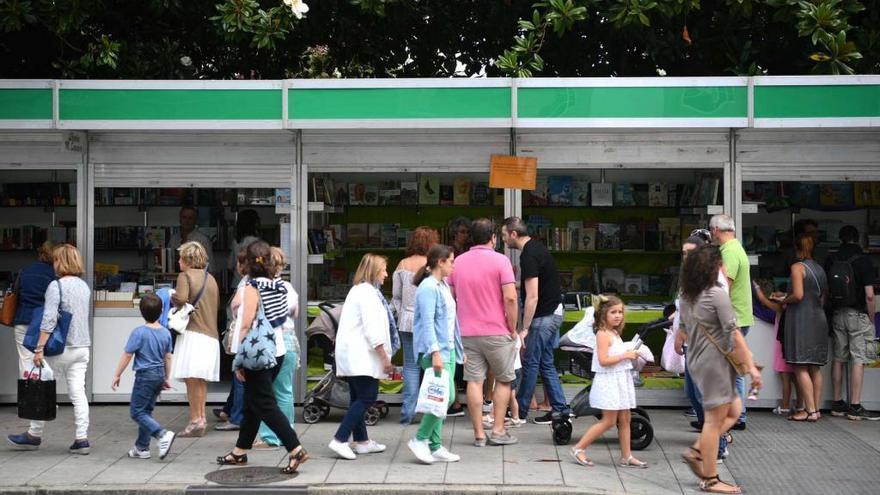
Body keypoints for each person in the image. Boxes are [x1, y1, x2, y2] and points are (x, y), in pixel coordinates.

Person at [216, 240, 308, 474]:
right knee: (251, 405)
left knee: (265, 405)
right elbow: (291, 312)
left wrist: (237, 358)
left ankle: (295, 449)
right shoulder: (278, 285)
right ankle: (239, 452)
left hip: (257, 355)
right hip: (276, 351)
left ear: (247, 263)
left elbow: (245, 324)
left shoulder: (251, 287)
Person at [679, 244, 762, 494]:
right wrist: (752, 368)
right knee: (714, 422)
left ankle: (697, 451)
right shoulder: (716, 294)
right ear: (714, 267)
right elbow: (733, 333)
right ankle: (710, 478)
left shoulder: (686, 294)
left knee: (734, 410)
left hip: (698, 360)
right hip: (715, 363)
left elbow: (683, 328)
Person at [8, 244, 93, 454]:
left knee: (41, 387)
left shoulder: (57, 286)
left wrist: (39, 349)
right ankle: (81, 439)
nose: (53, 264)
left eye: (56, 260)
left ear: (60, 262)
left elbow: (49, 319)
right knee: (78, 393)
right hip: (82, 347)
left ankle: (34, 435)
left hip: (60, 348)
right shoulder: (84, 286)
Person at [447, 218, 519, 447]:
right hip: (497, 330)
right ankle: (498, 430)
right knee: (504, 380)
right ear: (494, 238)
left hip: (467, 332)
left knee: (474, 381)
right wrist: (513, 327)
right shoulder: (501, 261)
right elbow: (510, 297)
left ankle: (479, 434)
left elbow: (451, 297)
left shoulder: (458, 262)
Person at [501, 217, 570, 425]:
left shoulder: (528, 255)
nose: (503, 239)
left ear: (514, 234)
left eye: (504, 235)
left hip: (544, 316)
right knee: (546, 363)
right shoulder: (537, 248)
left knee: (530, 362)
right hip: (554, 311)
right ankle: (560, 409)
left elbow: (533, 296)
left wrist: (525, 328)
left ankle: (520, 411)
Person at [328, 253, 395, 460]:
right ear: (374, 272)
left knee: (358, 397)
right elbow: (373, 330)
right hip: (362, 355)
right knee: (367, 396)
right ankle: (339, 439)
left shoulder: (358, 291)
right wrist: (385, 358)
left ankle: (362, 441)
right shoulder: (368, 294)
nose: (386, 274)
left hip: (353, 353)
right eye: (383, 269)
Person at [569, 295, 646, 469]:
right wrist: (626, 355)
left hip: (619, 379)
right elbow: (604, 360)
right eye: (613, 312)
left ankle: (626, 456)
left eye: (620, 312)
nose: (618, 315)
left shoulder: (614, 333)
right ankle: (578, 448)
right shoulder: (603, 334)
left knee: (625, 418)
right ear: (604, 314)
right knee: (609, 421)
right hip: (609, 381)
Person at [407, 245, 465, 464]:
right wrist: (435, 353)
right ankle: (420, 438)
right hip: (436, 351)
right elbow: (428, 323)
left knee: (440, 398)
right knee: (446, 397)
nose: (454, 265)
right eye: (451, 261)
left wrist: (457, 349)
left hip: (446, 349)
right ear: (440, 262)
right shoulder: (429, 287)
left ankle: (435, 445)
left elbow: (452, 322)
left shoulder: (441, 285)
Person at [674, 235, 730, 461]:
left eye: (689, 254)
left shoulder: (715, 280)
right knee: (693, 393)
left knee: (707, 398)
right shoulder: (689, 277)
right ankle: (712, 440)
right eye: (683, 254)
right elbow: (685, 306)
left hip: (710, 349)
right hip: (693, 345)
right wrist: (681, 329)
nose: (685, 257)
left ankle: (717, 445)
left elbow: (726, 320)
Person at [110, 293, 176, 460]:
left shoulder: (138, 333)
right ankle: (142, 447)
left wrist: (117, 374)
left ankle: (162, 434)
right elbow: (168, 356)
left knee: (137, 412)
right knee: (146, 411)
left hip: (145, 376)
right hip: (159, 374)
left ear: (141, 312)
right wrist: (166, 377)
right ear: (162, 311)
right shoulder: (166, 333)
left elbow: (127, 355)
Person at [826, 226, 880, 420]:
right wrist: (872, 319)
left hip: (837, 314)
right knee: (858, 359)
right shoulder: (864, 260)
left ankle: (837, 403)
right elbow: (869, 295)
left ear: (840, 239)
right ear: (857, 239)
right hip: (857, 315)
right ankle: (855, 406)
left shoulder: (832, 258)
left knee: (839, 358)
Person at [171, 241, 220, 437]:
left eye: (180, 257)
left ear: (187, 260)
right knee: (200, 381)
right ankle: (201, 418)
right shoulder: (211, 279)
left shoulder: (185, 276)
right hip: (210, 335)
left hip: (193, 333)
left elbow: (181, 299)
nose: (178, 262)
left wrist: (171, 296)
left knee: (191, 381)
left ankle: (195, 420)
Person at [254, 246, 302, 447]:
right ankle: (286, 431)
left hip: (270, 341)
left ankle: (271, 436)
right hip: (290, 340)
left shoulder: (257, 286)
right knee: (284, 390)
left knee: (267, 393)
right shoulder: (287, 287)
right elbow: (295, 313)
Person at [709, 214, 753, 430]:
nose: (710, 235)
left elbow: (723, 287)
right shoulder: (737, 248)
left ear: (716, 230)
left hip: (732, 319)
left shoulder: (729, 253)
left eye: (710, 230)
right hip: (739, 316)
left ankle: (737, 416)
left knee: (731, 370)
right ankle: (738, 414)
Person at [392, 226, 439, 425]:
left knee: (410, 366)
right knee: (431, 366)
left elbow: (396, 296)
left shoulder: (403, 264)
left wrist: (400, 313)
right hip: (428, 321)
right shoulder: (433, 265)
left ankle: (407, 413)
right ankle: (432, 410)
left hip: (406, 320)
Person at [782, 234, 829, 422]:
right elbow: (822, 298)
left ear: (798, 249)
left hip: (801, 319)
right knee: (815, 367)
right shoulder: (820, 269)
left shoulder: (797, 267)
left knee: (800, 366)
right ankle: (816, 409)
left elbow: (798, 295)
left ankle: (809, 411)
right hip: (818, 317)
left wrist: (784, 299)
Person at [753, 280, 802, 417]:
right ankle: (799, 406)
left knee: (785, 378)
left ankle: (785, 406)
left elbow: (763, 300)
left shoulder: (780, 308)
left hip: (781, 346)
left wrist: (755, 285)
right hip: (792, 344)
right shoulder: (794, 308)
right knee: (796, 378)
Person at [213, 248, 249, 432]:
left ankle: (237, 418)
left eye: (238, 262)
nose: (235, 265)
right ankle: (229, 410)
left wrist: (236, 342)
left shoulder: (247, 285)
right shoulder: (247, 283)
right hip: (243, 336)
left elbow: (241, 316)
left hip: (243, 337)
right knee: (238, 376)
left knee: (240, 377)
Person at [11, 241, 56, 377]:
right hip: (43, 323)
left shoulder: (24, 271)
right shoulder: (54, 275)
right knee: (44, 361)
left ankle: (27, 395)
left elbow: (15, 293)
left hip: (23, 319)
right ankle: (43, 395)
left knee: (25, 361)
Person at [169, 206, 213, 270]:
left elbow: (211, 267)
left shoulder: (203, 240)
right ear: (180, 220)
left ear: (195, 221)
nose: (187, 221)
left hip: (197, 278)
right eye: (184, 217)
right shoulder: (174, 239)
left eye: (190, 218)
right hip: (175, 277)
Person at [228, 209, 260, 289]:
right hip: (251, 284)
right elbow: (260, 264)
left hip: (236, 283)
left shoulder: (236, 242)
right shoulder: (255, 242)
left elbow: (230, 265)